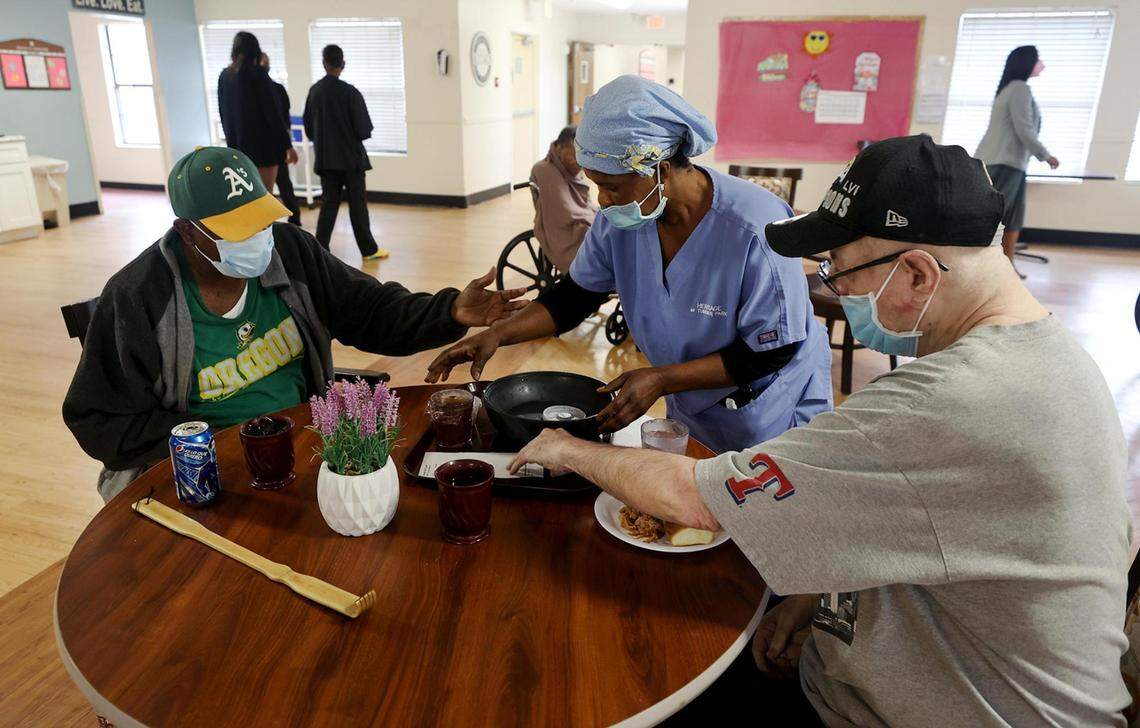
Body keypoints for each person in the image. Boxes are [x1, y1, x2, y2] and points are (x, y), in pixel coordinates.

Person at [506, 135, 1131, 726]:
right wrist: (819, 598)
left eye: (838, 271)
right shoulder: (1049, 357)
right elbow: (931, 524)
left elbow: (695, 497)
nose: (832, 289)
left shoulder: (944, 406)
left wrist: (568, 447)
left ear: (916, 274)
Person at [62, 147, 526, 503]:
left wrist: (449, 312)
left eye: (261, 220)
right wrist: (208, 446)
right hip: (209, 469)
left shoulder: (287, 249)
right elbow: (96, 418)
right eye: (240, 230)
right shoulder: (139, 297)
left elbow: (367, 308)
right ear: (189, 232)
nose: (260, 239)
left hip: (303, 449)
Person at [427, 75, 832, 454]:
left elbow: (771, 350)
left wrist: (661, 378)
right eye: (596, 185)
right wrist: (498, 334)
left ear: (660, 168)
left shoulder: (753, 228)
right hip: (694, 401)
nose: (601, 201)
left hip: (766, 405)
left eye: (611, 186)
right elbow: (573, 297)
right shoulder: (624, 221)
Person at [975, 45, 1059, 276]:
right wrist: (1045, 155)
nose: (1042, 64)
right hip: (1003, 162)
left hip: (1013, 163)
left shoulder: (1012, 88)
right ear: (1027, 62)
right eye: (1038, 60)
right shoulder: (1019, 89)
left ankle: (1006, 266)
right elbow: (1025, 128)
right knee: (996, 216)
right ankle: (984, 267)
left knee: (1013, 217)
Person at [303, 44, 387, 261]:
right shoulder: (350, 92)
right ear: (343, 64)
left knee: (329, 204)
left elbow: (309, 128)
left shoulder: (315, 92)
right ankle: (368, 250)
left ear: (324, 63)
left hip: (326, 159)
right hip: (351, 159)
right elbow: (364, 130)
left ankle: (319, 250)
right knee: (357, 204)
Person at [217, 32, 297, 191]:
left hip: (237, 150)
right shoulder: (259, 75)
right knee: (264, 198)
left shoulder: (225, 76)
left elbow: (223, 113)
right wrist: (288, 147)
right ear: (256, 51)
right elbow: (273, 114)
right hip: (264, 150)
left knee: (247, 199)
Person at [529, 125, 597, 272]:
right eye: (572, 157)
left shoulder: (572, 166)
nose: (577, 163)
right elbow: (563, 210)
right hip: (562, 227)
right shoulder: (544, 170)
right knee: (593, 233)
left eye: (579, 158)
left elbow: (584, 202)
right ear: (559, 148)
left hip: (580, 217)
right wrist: (591, 219)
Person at [260, 52, 302, 226]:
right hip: (277, 145)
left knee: (281, 184)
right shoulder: (276, 89)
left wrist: (287, 145)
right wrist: (287, 144)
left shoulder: (273, 90)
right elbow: (285, 120)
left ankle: (292, 218)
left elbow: (283, 119)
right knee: (284, 183)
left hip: (271, 146)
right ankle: (294, 218)